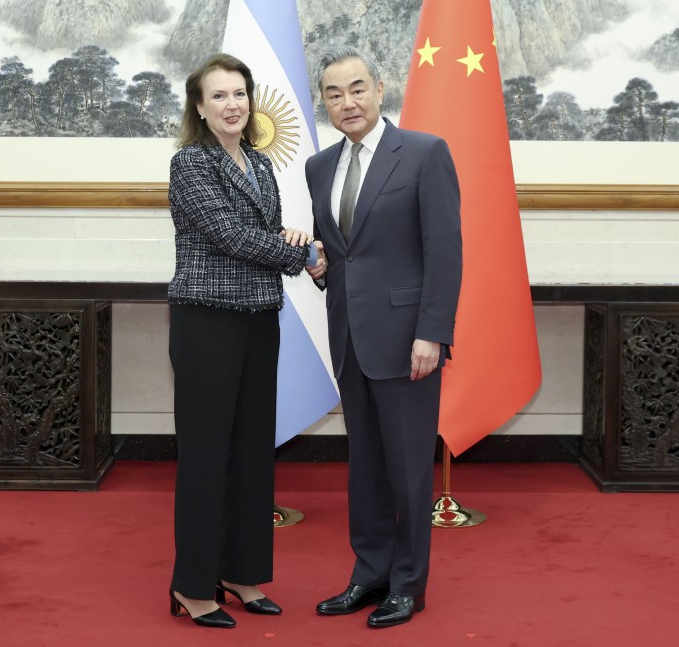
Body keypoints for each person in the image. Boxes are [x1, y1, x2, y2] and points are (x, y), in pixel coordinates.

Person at [304, 46, 462, 628]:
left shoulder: (423, 153)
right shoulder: (319, 167)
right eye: (334, 93)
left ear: (380, 88)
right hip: (349, 337)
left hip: (407, 342)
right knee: (365, 466)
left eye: (357, 88)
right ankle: (367, 575)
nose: (348, 102)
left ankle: (407, 584)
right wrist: (321, 270)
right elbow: (342, 254)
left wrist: (433, 333)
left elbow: (444, 253)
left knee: (409, 468)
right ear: (324, 101)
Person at [167, 53, 320, 629]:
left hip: (259, 318)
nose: (233, 105)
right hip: (207, 321)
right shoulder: (191, 164)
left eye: (240, 94)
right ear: (201, 108)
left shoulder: (259, 164)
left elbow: (260, 232)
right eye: (220, 96)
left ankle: (240, 574)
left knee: (254, 451)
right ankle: (193, 587)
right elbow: (229, 234)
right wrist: (303, 255)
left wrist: (290, 240)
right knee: (207, 455)